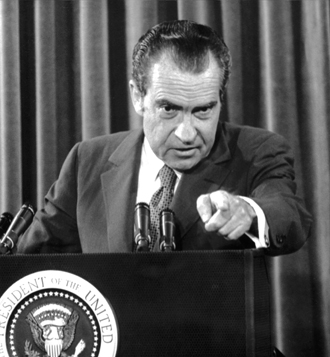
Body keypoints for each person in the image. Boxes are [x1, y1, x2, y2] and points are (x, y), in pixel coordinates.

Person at [17, 20, 312, 255]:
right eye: (169, 108)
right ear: (138, 96)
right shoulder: (87, 161)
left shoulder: (257, 151)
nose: (186, 133)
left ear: (220, 99)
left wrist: (248, 212)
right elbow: (31, 259)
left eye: (203, 110)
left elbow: (288, 213)